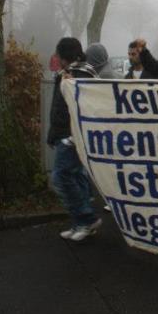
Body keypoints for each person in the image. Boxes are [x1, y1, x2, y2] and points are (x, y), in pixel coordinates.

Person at [47, 38, 102, 242]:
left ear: (63, 56)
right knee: (75, 175)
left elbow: (82, 106)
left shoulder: (80, 74)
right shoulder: (71, 73)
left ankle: (86, 219)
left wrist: (69, 136)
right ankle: (81, 222)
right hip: (66, 136)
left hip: (72, 138)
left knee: (61, 178)